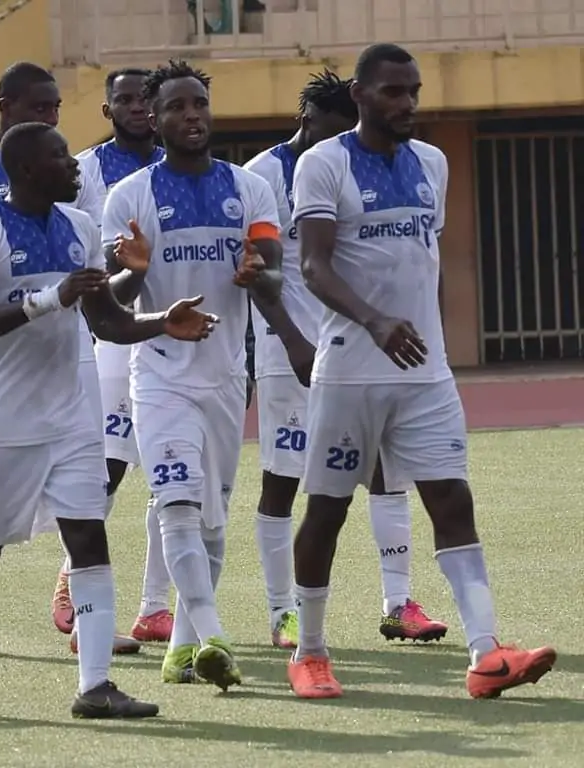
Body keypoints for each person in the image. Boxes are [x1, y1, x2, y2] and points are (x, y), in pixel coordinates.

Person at [288, 43, 556, 700]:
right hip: (350, 373)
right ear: (360, 95)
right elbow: (314, 266)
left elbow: (419, 260)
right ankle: (309, 651)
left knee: (452, 500)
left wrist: (420, 335)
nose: (407, 102)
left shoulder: (433, 163)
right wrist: (375, 321)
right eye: (392, 91)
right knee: (326, 511)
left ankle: (486, 653)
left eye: (413, 90)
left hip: (425, 374)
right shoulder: (323, 163)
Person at [0, 120, 217, 718]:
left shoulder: (81, 228)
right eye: (60, 157)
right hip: (0, 416)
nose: (74, 165)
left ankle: (95, 686)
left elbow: (106, 321)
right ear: (26, 169)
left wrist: (162, 321)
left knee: (87, 536)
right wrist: (47, 300)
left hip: (71, 414)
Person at [101, 59, 301, 690]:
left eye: (199, 105)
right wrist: (134, 273)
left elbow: (272, 276)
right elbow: (111, 302)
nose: (191, 115)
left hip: (226, 376)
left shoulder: (250, 189)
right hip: (160, 375)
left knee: (212, 520)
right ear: (154, 119)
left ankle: (181, 648)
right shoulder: (129, 197)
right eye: (176, 107)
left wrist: (257, 276)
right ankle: (215, 635)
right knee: (177, 502)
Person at [0, 61, 139, 656]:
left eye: (56, 108)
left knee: (87, 524)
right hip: (3, 386)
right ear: (7, 106)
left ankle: (93, 663)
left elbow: (96, 293)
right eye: (40, 107)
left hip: (73, 375)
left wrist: (148, 301)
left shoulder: (73, 207)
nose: (53, 118)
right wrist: (49, 297)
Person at [245, 69, 446, 649]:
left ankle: (398, 603)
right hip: (291, 350)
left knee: (386, 469)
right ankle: (283, 612)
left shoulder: (362, 165)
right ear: (306, 120)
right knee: (285, 479)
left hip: (358, 347)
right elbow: (257, 274)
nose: (342, 141)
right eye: (333, 130)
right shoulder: (262, 176)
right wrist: (290, 340)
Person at [51, 67, 175, 648]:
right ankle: (72, 582)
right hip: (111, 336)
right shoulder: (85, 171)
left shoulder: (182, 167)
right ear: (107, 110)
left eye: (145, 98)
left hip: (176, 333)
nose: (137, 107)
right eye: (124, 99)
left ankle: (156, 607)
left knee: (173, 470)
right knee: (110, 465)